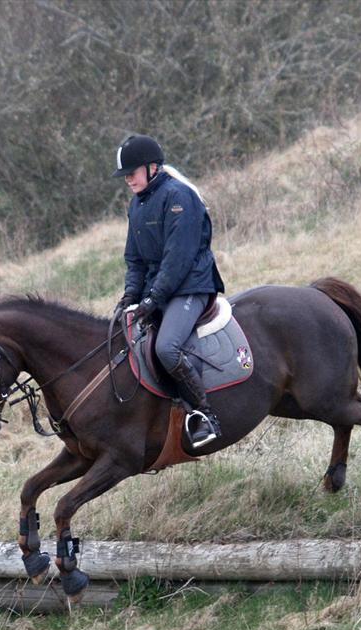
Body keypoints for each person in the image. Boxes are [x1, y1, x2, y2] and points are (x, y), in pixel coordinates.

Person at [112, 134, 225, 447]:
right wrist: (130, 297)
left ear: (151, 167)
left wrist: (151, 299)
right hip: (160, 290)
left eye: (131, 172)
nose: (128, 180)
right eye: (125, 175)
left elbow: (177, 260)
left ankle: (204, 415)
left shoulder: (179, 197)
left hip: (190, 286)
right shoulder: (137, 205)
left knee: (166, 348)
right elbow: (134, 259)